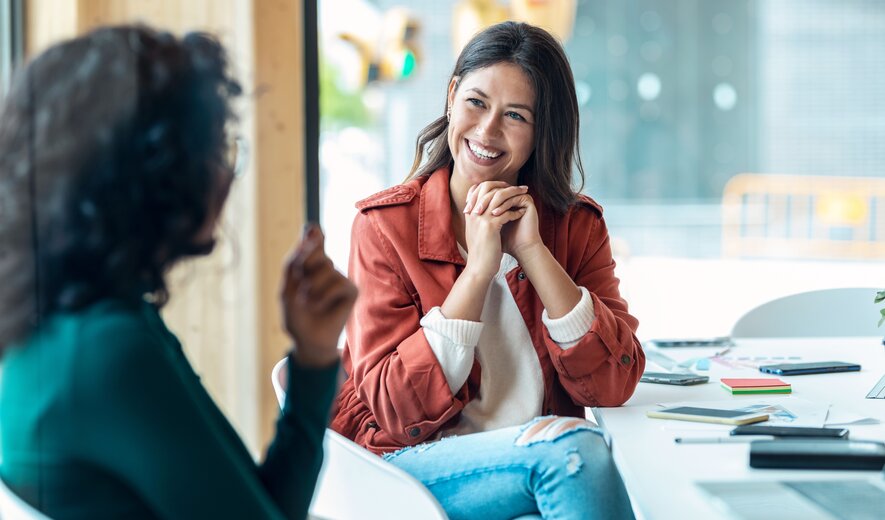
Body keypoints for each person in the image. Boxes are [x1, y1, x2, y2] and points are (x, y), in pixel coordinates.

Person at [0, 25, 356, 519]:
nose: (227, 173)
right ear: (155, 174)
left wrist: (314, 356)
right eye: (215, 149)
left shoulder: (70, 325)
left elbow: (261, 506)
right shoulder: (108, 353)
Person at [330, 21, 644, 520]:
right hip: (410, 466)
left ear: (543, 131)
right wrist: (478, 271)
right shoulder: (384, 227)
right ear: (452, 95)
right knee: (574, 455)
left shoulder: (576, 226)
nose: (487, 131)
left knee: (607, 466)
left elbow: (612, 384)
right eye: (476, 102)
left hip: (536, 459)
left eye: (515, 115)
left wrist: (534, 252)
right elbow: (395, 410)